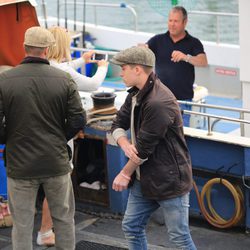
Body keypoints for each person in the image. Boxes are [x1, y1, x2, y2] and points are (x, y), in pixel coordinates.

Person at [0, 26, 86, 250]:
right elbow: (78, 119)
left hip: (20, 164)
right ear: (47, 50)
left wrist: (9, 139)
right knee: (64, 220)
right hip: (55, 162)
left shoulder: (5, 80)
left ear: (24, 48)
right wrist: (59, 138)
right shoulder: (64, 79)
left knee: (22, 225)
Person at [110, 46, 196, 250]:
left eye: (123, 68)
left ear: (137, 69)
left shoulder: (159, 102)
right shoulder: (135, 94)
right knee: (131, 226)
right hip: (144, 178)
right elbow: (117, 125)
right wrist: (125, 143)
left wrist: (124, 173)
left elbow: (144, 149)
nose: (120, 73)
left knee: (179, 237)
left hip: (169, 181)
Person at [36, 26, 109, 246]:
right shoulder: (63, 72)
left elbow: (64, 67)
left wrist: (82, 61)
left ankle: (45, 229)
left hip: (38, 135)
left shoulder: (45, 66)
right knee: (57, 185)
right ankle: (46, 231)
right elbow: (93, 84)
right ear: (62, 45)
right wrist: (103, 67)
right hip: (58, 138)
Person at [146, 6, 208, 126]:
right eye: (170, 20)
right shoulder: (157, 40)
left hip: (183, 100)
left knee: (180, 137)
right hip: (159, 99)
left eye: (176, 21)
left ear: (185, 22)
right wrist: (142, 48)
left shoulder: (193, 42)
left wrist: (186, 57)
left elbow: (203, 61)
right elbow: (144, 51)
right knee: (158, 134)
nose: (172, 24)